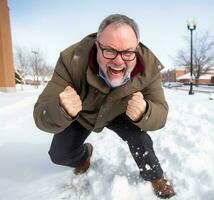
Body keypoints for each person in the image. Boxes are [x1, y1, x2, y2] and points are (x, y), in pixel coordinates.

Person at [33, 14, 175, 199]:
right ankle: (85, 155)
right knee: (59, 154)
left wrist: (144, 112)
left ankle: (155, 177)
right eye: (109, 50)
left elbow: (161, 114)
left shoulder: (148, 68)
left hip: (121, 113)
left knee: (141, 141)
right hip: (83, 113)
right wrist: (61, 108)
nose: (118, 61)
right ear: (97, 46)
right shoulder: (71, 60)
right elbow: (41, 114)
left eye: (127, 52)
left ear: (136, 49)